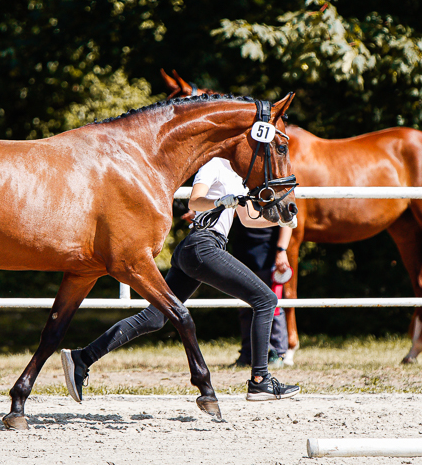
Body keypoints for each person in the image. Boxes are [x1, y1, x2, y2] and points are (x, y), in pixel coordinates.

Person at [61, 157, 300, 402]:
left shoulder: (238, 175)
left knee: (154, 318)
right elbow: (194, 200)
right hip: (203, 245)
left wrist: (279, 219)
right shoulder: (214, 165)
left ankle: (82, 358)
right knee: (266, 300)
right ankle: (260, 380)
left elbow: (248, 219)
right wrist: (219, 202)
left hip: (201, 249)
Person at [229, 221, 292, 368]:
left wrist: (282, 250)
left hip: (268, 253)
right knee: (244, 307)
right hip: (242, 250)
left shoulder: (277, 203)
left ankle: (277, 352)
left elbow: (287, 221)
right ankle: (247, 353)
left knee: (273, 306)